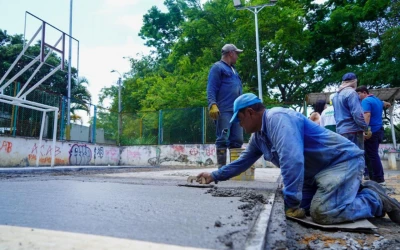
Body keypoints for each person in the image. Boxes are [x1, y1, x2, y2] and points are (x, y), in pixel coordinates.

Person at [197, 93, 400, 225]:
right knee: (304, 207)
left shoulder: (277, 118)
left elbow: (292, 160)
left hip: (341, 162)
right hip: (318, 174)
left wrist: (292, 201)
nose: (239, 125)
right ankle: (354, 191)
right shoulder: (258, 137)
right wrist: (214, 175)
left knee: (322, 212)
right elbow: (242, 162)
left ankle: (374, 200)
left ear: (250, 112)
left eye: (239, 119)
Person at [207, 44, 244, 168]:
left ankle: (234, 170)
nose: (237, 57)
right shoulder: (217, 67)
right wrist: (212, 104)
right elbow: (211, 87)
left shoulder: (234, 70)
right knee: (223, 138)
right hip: (224, 110)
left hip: (237, 111)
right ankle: (221, 169)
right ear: (231, 53)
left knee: (237, 140)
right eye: (236, 54)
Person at [356, 86, 390, 184]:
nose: (358, 97)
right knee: (372, 155)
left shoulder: (365, 101)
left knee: (372, 155)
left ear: (364, 92)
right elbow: (385, 104)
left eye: (359, 94)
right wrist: (387, 103)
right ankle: (375, 177)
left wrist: (365, 131)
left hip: (372, 132)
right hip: (379, 130)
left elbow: (367, 115)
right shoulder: (377, 99)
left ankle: (379, 179)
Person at [332, 72, 369, 149]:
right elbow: (357, 114)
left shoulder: (335, 95)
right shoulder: (352, 93)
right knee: (357, 157)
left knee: (346, 157)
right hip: (353, 131)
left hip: (341, 131)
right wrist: (366, 128)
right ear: (354, 82)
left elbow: (335, 115)